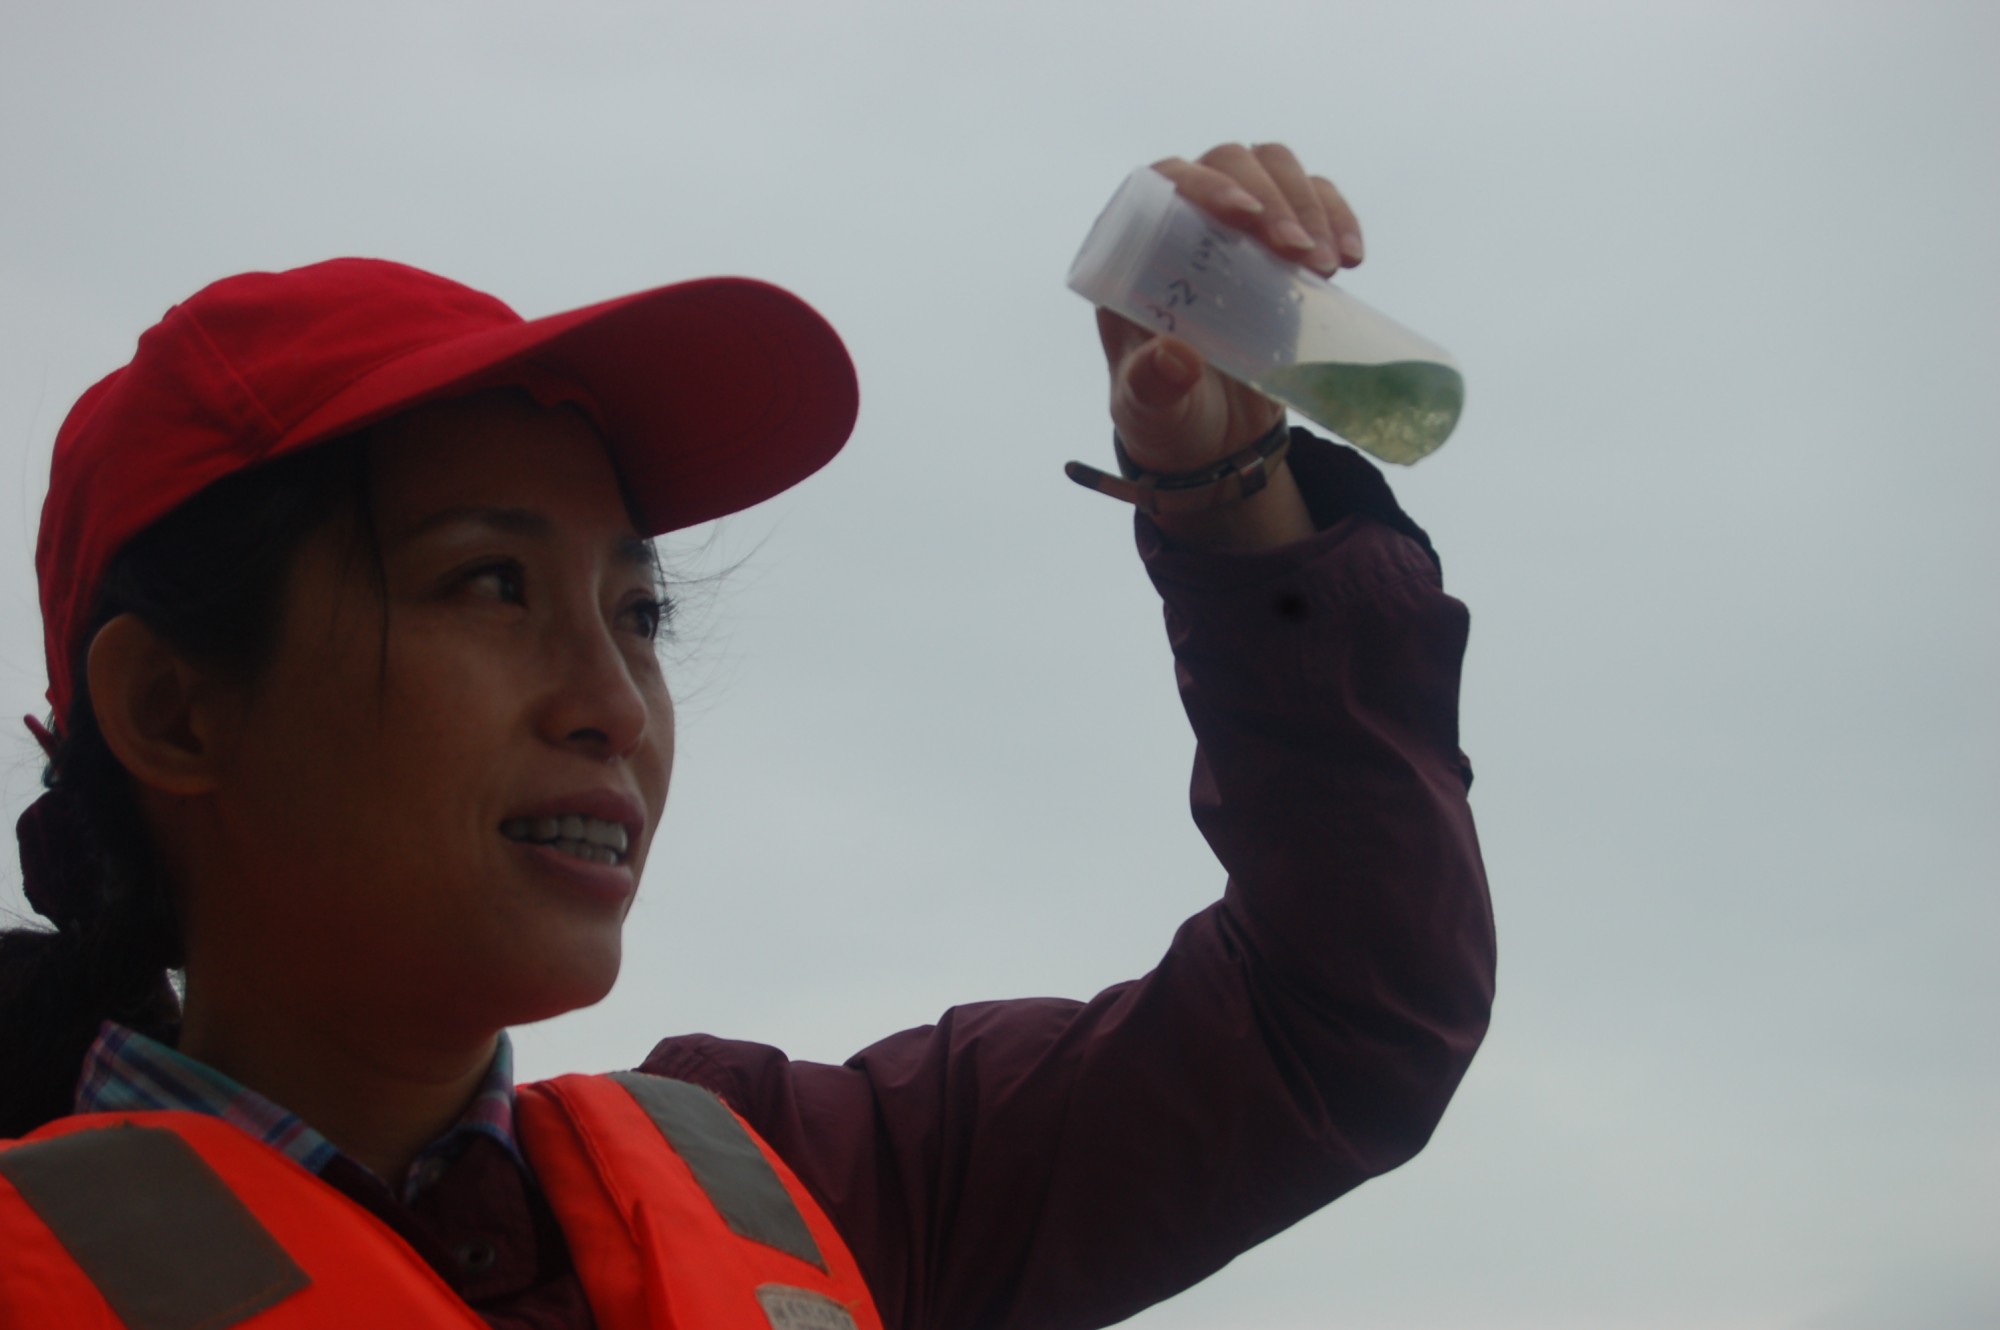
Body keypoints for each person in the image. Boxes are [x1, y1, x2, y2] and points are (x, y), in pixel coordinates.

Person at [0, 143, 1494, 1330]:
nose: (612, 699)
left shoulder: (795, 1181)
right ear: (171, 709)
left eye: (639, 610)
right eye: (490, 582)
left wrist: (1228, 492)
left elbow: (1339, 1013)